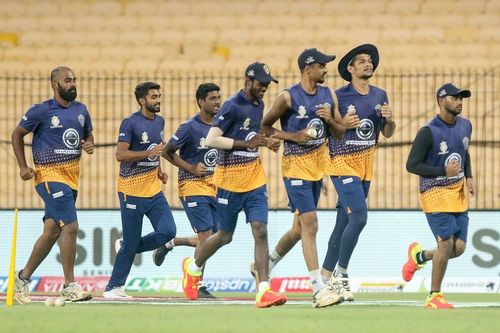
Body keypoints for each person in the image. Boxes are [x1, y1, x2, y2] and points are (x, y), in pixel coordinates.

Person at [181, 63, 286, 308]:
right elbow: (211, 139)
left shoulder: (259, 105)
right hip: (229, 179)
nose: (265, 88)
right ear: (248, 80)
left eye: (268, 84)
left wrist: (266, 142)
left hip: (254, 178)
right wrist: (245, 144)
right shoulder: (231, 105)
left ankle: (263, 290)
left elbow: (252, 132)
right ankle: (193, 268)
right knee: (224, 235)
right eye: (262, 83)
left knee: (260, 229)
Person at [260, 48, 345, 308]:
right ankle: (318, 290)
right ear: (308, 69)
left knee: (299, 229)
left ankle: (265, 264)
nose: (326, 70)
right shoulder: (287, 97)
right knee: (311, 222)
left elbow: (340, 133)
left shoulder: (329, 94)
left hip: (318, 168)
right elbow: (264, 127)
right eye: (322, 65)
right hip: (295, 166)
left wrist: (330, 120)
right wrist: (294, 136)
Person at [11, 66, 94, 304]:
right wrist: (23, 166)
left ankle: (22, 277)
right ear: (55, 85)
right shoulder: (41, 110)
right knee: (71, 226)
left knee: (52, 232)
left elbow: (88, 135)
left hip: (71, 177)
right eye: (68, 81)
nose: (73, 84)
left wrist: (88, 144)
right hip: (48, 176)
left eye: (74, 80)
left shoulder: (81, 110)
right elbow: (17, 135)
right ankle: (69, 286)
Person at [322, 44, 396, 301]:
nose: (369, 64)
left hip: (366, 164)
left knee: (344, 221)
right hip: (341, 161)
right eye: (362, 61)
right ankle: (341, 276)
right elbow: (330, 129)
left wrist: (389, 119)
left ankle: (323, 278)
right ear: (350, 69)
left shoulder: (380, 95)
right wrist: (342, 122)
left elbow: (387, 133)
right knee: (360, 217)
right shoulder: (338, 96)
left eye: (370, 61)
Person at [103, 82, 176, 299]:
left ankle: (127, 246)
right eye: (154, 97)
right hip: (131, 190)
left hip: (153, 190)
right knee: (132, 241)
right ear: (142, 101)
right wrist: (149, 154)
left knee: (168, 231)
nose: (158, 100)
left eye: (159, 96)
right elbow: (120, 155)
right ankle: (113, 288)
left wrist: (160, 170)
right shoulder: (130, 123)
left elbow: (157, 149)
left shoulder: (160, 121)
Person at [403, 83, 474, 309]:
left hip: (458, 192)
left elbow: (464, 152)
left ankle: (419, 257)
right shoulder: (428, 132)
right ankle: (434, 296)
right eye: (455, 98)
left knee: (459, 248)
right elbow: (412, 164)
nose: (460, 102)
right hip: (434, 192)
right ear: (442, 101)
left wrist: (469, 175)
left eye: (462, 98)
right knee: (445, 243)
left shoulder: (466, 125)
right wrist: (443, 171)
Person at [153, 83, 222, 299]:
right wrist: (191, 167)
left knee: (214, 238)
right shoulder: (189, 127)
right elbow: (166, 151)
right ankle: (196, 283)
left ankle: (171, 243)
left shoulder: (221, 125)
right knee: (206, 236)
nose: (217, 102)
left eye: (219, 97)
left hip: (215, 186)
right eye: (212, 98)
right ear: (201, 101)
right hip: (191, 185)